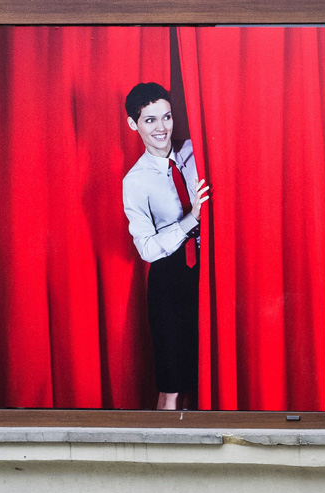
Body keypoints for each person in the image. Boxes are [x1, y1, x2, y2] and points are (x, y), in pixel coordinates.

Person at [122, 82, 210, 410]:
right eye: (150, 120)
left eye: (167, 117)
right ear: (134, 124)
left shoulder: (193, 152)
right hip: (170, 281)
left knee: (198, 379)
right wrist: (192, 219)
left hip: (207, 269)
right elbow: (146, 249)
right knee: (172, 385)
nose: (162, 128)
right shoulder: (135, 181)